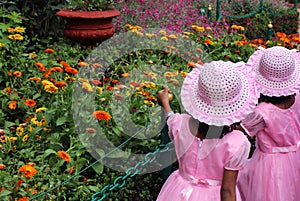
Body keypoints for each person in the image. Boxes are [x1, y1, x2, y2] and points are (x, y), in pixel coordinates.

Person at [156, 60, 258, 201]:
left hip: (178, 191)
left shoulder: (180, 124)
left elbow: (170, 118)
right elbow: (227, 191)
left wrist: (165, 103)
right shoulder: (237, 143)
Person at [237, 46, 300, 201]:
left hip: (269, 165)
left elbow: (241, 130)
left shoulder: (262, 112)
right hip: (295, 157)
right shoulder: (298, 98)